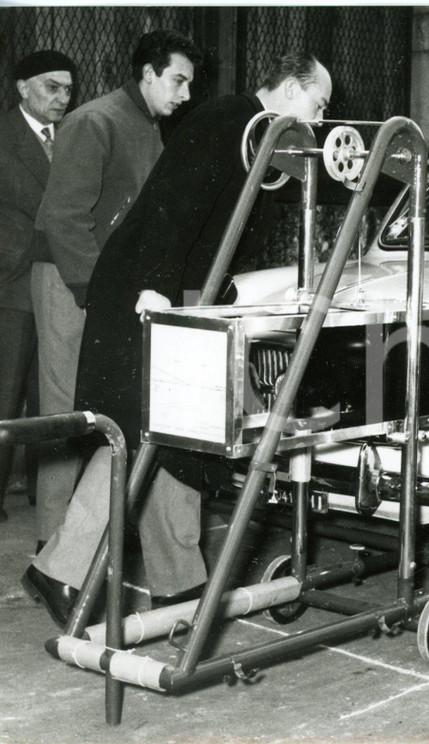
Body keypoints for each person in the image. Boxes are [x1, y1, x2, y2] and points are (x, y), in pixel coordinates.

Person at [22, 51, 333, 627]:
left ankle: (168, 582)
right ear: (290, 89)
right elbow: (170, 209)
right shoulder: (225, 123)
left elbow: (226, 229)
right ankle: (68, 569)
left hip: (179, 291)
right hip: (147, 291)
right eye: (318, 104)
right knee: (146, 430)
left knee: (171, 434)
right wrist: (157, 289)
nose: (319, 118)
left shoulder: (261, 139)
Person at [27, 30, 199, 557]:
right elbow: (62, 218)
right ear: (148, 74)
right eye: (178, 80)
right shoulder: (95, 121)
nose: (186, 94)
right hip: (70, 281)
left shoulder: (146, 126)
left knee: (110, 409)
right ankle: (52, 546)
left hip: (110, 286)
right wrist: (96, 293)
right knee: (67, 412)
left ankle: (84, 543)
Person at [0, 51, 76, 522]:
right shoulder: (4, 135)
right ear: (22, 88)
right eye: (52, 87)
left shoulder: (73, 136)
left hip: (58, 280)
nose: (62, 99)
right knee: (6, 391)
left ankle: (42, 494)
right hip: (10, 282)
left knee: (48, 394)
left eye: (68, 90)